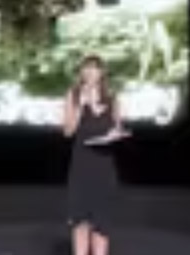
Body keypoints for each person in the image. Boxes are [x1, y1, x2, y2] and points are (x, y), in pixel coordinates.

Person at [63, 55, 125, 255]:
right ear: (81, 72)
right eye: (86, 68)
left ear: (102, 73)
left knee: (102, 222)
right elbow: (67, 131)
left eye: (95, 69)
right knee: (80, 220)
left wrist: (115, 134)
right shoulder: (72, 94)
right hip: (82, 165)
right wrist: (81, 106)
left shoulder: (112, 97)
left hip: (104, 165)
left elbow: (118, 127)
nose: (90, 73)